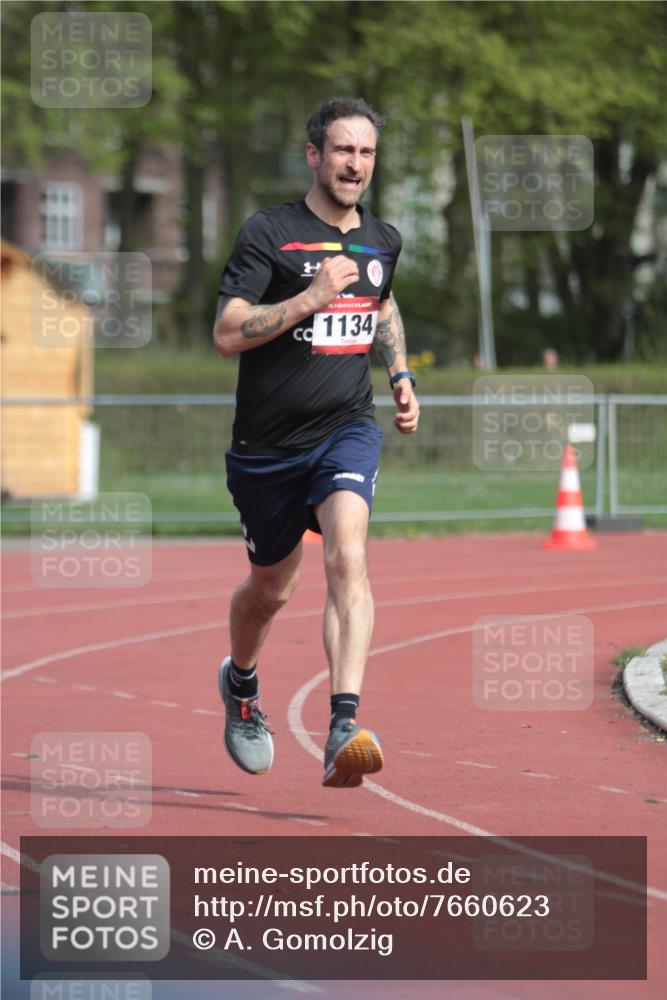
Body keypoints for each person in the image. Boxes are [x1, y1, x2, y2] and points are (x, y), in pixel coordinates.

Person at [212, 96, 419, 788]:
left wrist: (399, 374)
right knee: (270, 588)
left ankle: (342, 724)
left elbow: (383, 305)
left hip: (345, 430)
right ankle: (241, 685)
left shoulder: (382, 239)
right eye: (341, 150)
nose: (354, 164)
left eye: (364, 152)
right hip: (266, 449)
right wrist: (307, 298)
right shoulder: (269, 234)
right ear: (314, 156)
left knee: (348, 553)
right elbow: (225, 333)